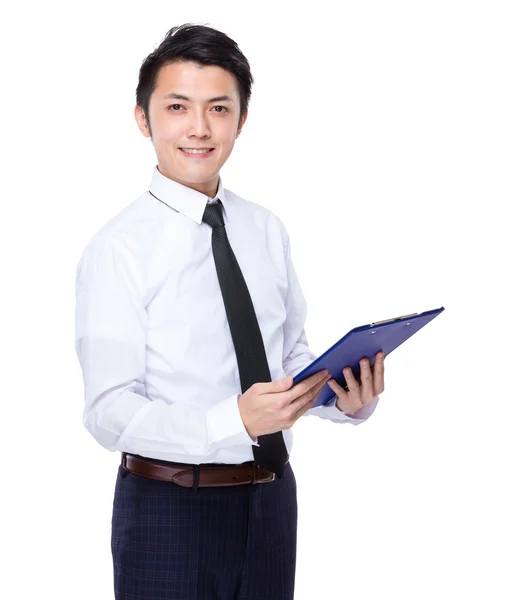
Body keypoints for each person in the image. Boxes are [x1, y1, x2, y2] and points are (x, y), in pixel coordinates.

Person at [74, 22, 385, 600]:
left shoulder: (265, 228)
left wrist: (343, 397)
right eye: (177, 107)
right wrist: (233, 422)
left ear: (242, 120)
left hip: (271, 501)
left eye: (219, 107)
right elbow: (108, 410)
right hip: (168, 508)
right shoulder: (118, 247)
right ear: (143, 119)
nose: (199, 128)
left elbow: (288, 352)